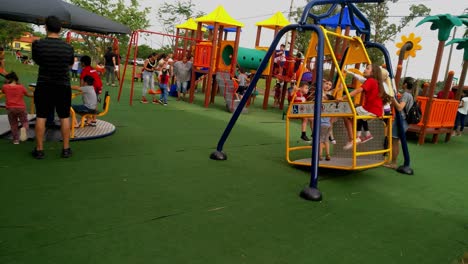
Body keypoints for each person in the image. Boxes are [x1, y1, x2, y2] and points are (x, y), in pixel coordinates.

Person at [31, 15, 74, 159]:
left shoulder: (38, 44)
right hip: (63, 86)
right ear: (60, 29)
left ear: (45, 28)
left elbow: (37, 61)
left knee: (41, 117)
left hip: (44, 85)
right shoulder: (68, 47)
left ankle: (39, 150)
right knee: (64, 117)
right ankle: (66, 149)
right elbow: (69, 65)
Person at [343, 64, 392, 150]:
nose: (365, 69)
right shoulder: (378, 83)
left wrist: (343, 97)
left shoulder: (371, 80)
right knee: (355, 116)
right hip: (376, 111)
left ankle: (353, 139)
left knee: (346, 114)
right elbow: (381, 99)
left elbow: (358, 90)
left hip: (370, 109)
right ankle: (363, 135)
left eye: (367, 68)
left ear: (373, 72)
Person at [384, 77, 415, 169]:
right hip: (403, 121)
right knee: (396, 142)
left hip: (401, 121)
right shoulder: (410, 95)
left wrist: (392, 98)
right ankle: (393, 161)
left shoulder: (406, 95)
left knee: (395, 142)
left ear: (405, 84)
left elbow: (400, 108)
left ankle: (393, 163)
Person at [1, 72, 33, 144]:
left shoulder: (5, 87)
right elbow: (28, 94)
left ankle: (16, 140)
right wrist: (34, 94)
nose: (5, 81)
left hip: (10, 108)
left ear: (10, 79)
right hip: (21, 108)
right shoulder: (21, 87)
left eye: (6, 79)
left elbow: (2, 92)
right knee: (25, 122)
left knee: (13, 124)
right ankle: (24, 128)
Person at [80, 55, 102, 125]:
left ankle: (89, 119)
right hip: (98, 86)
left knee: (88, 103)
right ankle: (94, 119)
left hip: (92, 88)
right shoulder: (92, 68)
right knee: (94, 103)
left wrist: (82, 89)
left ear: (83, 63)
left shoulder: (85, 70)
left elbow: (82, 81)